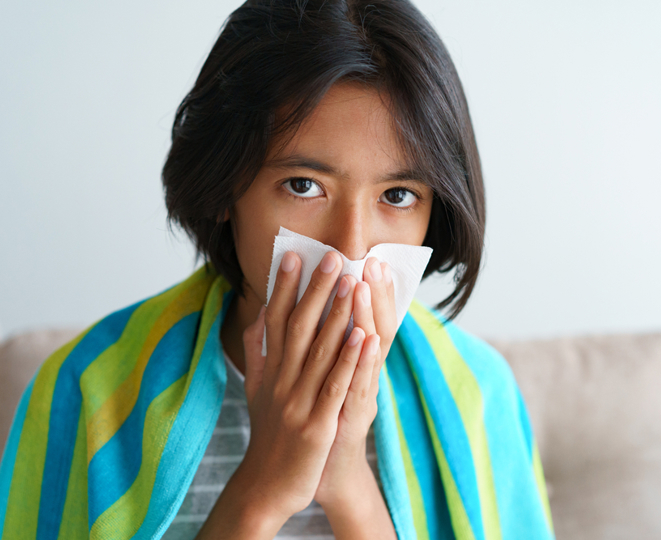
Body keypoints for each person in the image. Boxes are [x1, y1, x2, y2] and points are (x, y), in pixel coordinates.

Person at [0, 1, 554, 539]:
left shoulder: (479, 397)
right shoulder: (86, 390)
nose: (351, 250)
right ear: (225, 188)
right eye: (303, 186)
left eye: (399, 194)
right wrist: (262, 486)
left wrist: (349, 485)